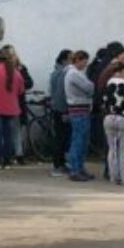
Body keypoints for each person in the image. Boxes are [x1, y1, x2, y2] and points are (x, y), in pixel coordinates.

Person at [63, 51, 96, 180]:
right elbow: (89, 88)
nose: (86, 64)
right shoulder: (74, 74)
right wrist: (91, 86)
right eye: (84, 61)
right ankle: (75, 169)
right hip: (79, 110)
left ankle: (79, 168)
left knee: (82, 140)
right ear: (78, 60)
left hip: (80, 109)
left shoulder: (75, 73)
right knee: (78, 140)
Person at [48, 50, 73, 178]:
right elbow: (62, 93)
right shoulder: (65, 73)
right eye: (71, 58)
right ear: (64, 60)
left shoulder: (54, 73)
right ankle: (59, 165)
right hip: (63, 109)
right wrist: (66, 109)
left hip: (56, 108)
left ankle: (59, 164)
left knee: (59, 137)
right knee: (62, 138)